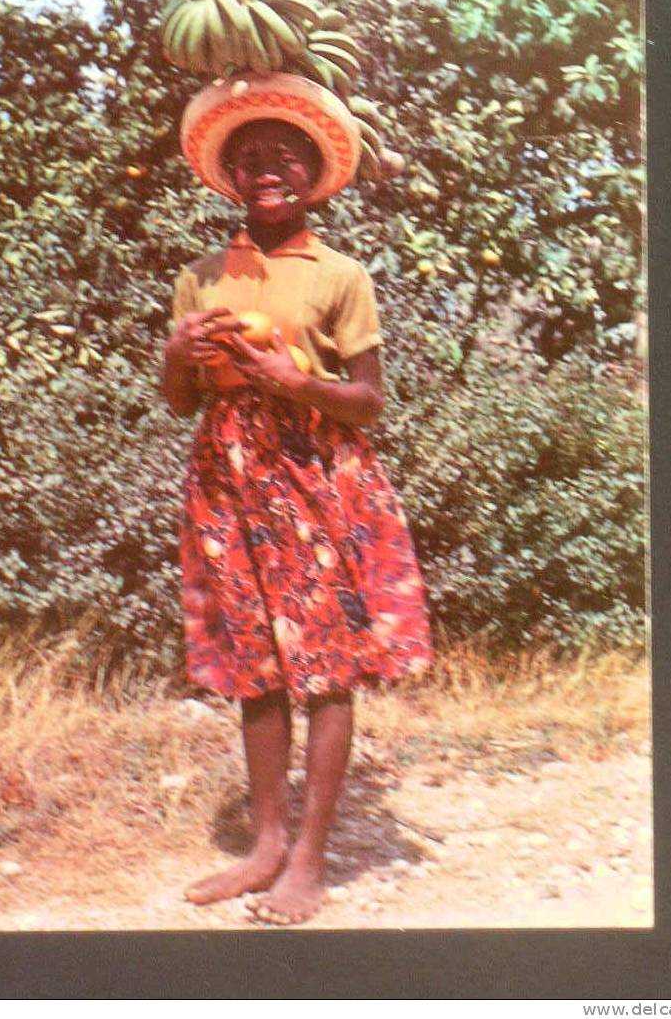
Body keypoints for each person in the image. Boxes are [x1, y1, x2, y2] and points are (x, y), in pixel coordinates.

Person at [162, 73, 432, 925]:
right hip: (229, 479)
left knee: (324, 665)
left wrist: (294, 379)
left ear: (313, 174)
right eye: (249, 160)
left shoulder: (341, 274)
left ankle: (309, 860)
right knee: (254, 665)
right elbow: (181, 400)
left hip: (315, 475)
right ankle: (266, 846)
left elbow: (370, 400)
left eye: (284, 157)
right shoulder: (201, 275)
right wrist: (177, 350)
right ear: (230, 177)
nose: (266, 170)